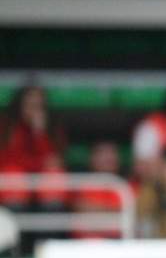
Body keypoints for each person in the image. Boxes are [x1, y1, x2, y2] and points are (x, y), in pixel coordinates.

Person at [0, 84, 68, 218]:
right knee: (13, 175)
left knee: (53, 177)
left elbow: (54, 161)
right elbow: (7, 160)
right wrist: (36, 164)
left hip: (44, 193)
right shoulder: (6, 126)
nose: (33, 110)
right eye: (29, 104)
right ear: (19, 105)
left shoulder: (53, 128)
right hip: (15, 193)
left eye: (37, 106)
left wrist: (39, 134)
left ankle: (48, 234)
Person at [71, 140, 125, 239]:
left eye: (112, 153)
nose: (108, 158)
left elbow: (127, 212)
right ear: (92, 159)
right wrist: (111, 211)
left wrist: (97, 210)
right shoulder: (82, 184)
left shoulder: (125, 186)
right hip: (85, 246)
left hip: (117, 245)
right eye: (102, 153)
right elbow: (81, 208)